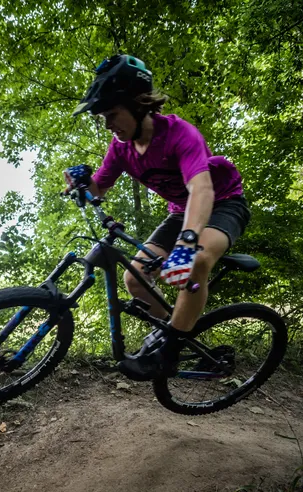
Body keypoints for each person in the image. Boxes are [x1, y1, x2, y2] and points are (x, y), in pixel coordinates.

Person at [63, 54, 251, 381]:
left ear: (138, 105)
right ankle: (174, 335)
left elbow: (203, 190)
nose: (108, 124)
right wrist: (81, 184)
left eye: (112, 114)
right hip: (181, 212)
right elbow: (99, 188)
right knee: (135, 279)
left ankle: (168, 353)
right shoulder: (120, 147)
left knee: (196, 263)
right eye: (103, 117)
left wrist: (187, 243)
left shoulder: (180, 134)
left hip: (222, 203)